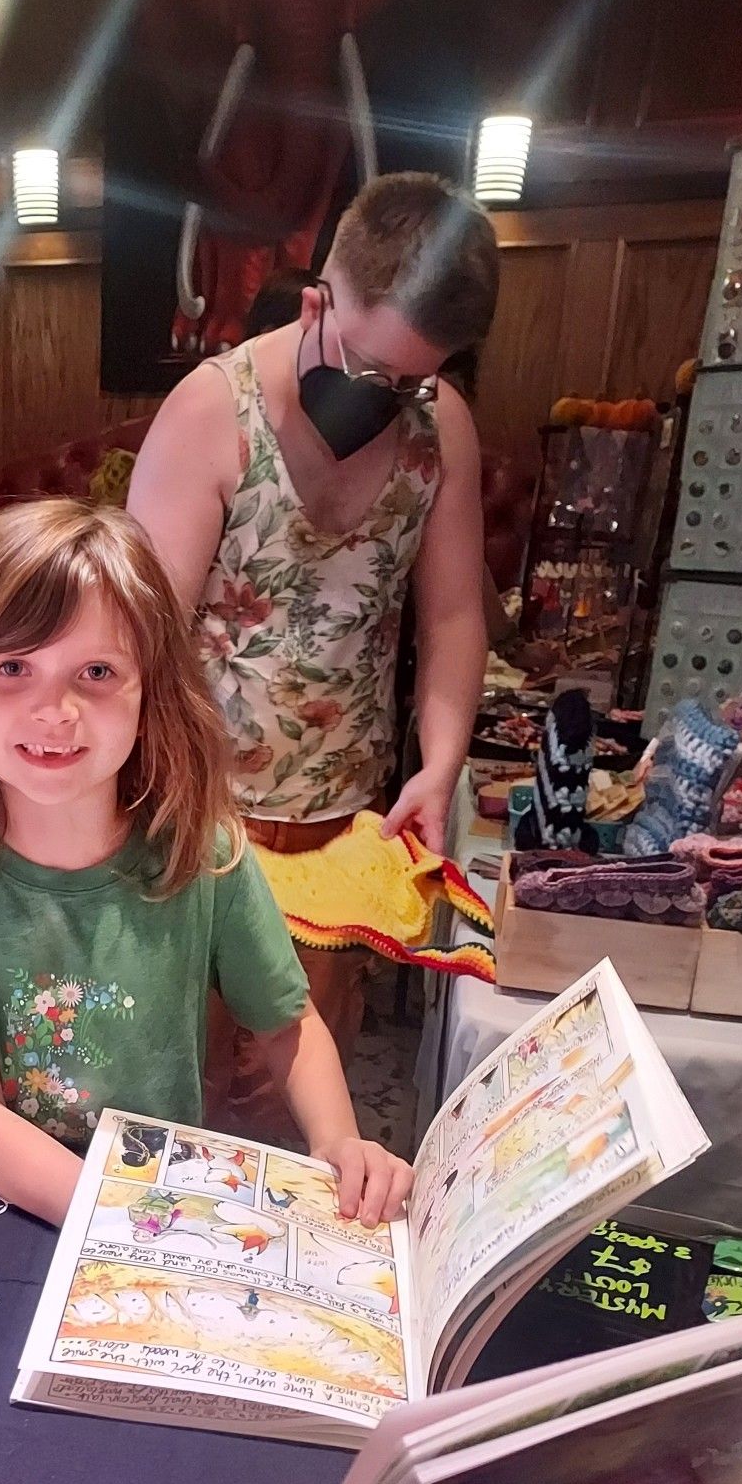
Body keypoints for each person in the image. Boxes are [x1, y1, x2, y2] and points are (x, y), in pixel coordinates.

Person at [0, 498, 412, 1229]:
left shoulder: (201, 848)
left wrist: (338, 1139)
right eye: (14, 666)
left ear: (152, 688)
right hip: (4, 1211)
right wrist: (123, 1217)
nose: (54, 710)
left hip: (157, 1206)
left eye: (95, 670)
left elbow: (285, 1021)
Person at [127, 171, 497, 1066]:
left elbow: (452, 619)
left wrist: (440, 768)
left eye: (419, 377)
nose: (392, 395)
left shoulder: (439, 424)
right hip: (195, 824)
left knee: (298, 1084)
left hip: (340, 828)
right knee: (180, 1084)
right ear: (316, 303)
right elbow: (141, 638)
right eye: (374, 370)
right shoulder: (214, 413)